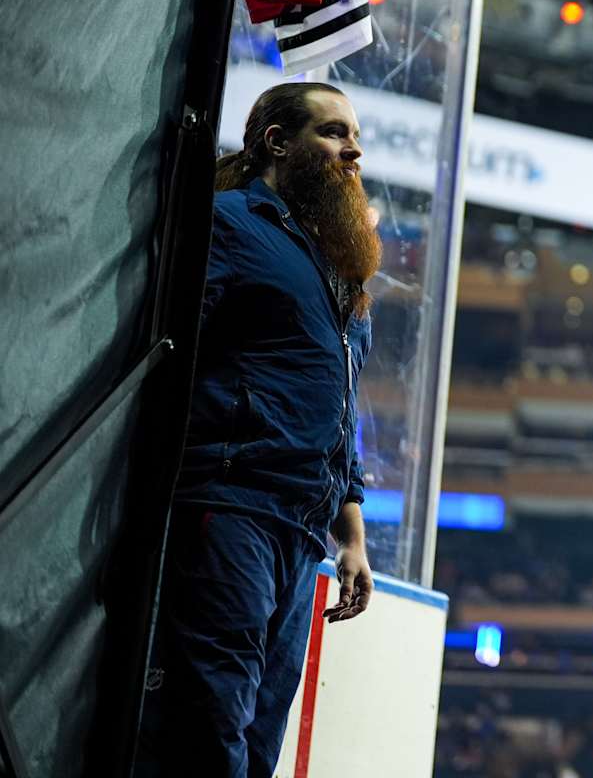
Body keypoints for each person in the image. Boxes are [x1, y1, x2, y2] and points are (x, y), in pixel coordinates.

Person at [137, 81, 380, 778]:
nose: (353, 149)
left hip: (301, 536)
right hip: (229, 505)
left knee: (257, 742)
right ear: (277, 141)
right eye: (334, 133)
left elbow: (344, 412)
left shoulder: (340, 274)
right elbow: (169, 354)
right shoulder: (231, 223)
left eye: (355, 137)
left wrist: (352, 538)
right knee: (210, 726)